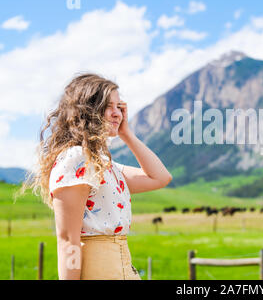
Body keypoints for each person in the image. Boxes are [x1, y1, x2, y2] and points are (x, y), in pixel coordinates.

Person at [17, 73, 172, 280]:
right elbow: (68, 240)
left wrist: (127, 134)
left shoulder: (105, 165)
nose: (117, 113)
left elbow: (160, 177)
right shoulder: (76, 159)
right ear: (87, 110)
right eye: (109, 106)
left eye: (120, 107)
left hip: (124, 269)